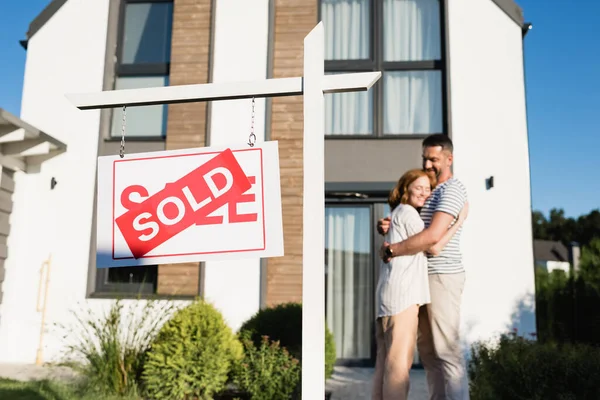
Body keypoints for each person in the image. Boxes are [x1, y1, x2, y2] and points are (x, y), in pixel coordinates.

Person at [377, 134, 469, 400]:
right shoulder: (428, 191)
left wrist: (393, 249)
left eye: (434, 159)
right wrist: (387, 226)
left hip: (442, 275)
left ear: (449, 159)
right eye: (425, 158)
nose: (428, 164)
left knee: (446, 351)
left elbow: (431, 239)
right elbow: (412, 228)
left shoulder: (452, 190)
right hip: (420, 279)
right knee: (429, 354)